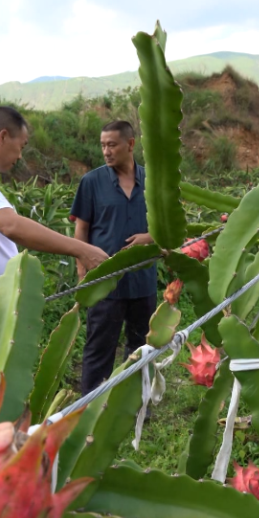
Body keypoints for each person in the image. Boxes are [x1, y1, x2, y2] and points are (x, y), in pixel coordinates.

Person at [0, 106, 109, 361]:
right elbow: (12, 226)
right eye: (22, 145)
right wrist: (80, 248)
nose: (20, 156)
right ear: (3, 136)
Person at [70, 120, 157, 396]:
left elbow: (167, 227)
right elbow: (81, 229)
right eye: (103, 145)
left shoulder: (152, 183)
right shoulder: (91, 182)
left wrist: (150, 237)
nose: (106, 151)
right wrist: (83, 275)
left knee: (142, 346)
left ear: (130, 144)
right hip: (104, 283)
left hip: (143, 282)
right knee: (99, 349)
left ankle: (134, 406)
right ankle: (88, 409)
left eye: (112, 145)